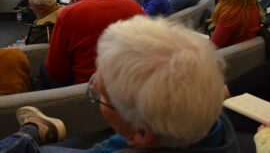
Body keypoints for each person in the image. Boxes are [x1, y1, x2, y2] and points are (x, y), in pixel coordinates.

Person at [0, 16, 239, 152]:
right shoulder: (207, 119)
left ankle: (30, 132)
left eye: (100, 95)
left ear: (141, 134)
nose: (95, 83)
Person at [41, 0, 144, 88]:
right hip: (131, 85)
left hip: (87, 90)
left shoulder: (68, 14)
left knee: (44, 69)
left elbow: (56, 71)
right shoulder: (133, 6)